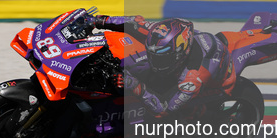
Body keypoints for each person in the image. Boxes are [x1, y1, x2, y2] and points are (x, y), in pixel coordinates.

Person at [90, 14, 236, 118]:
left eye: (162, 58)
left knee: (176, 114)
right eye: (153, 55)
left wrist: (135, 85)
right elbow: (134, 22)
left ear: (181, 53)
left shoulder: (191, 79)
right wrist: (99, 21)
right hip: (191, 53)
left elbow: (163, 110)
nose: (155, 61)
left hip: (217, 83)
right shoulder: (161, 32)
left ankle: (201, 116)